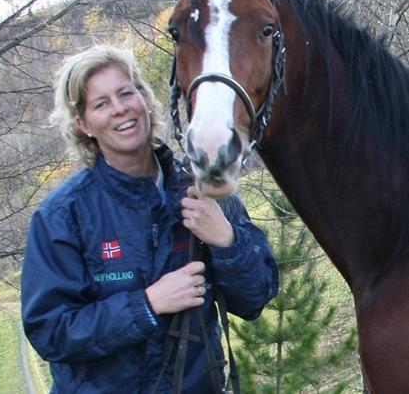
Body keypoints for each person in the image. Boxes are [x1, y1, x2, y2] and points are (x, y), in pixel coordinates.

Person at [21, 45, 278, 394]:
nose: (120, 109)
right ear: (83, 124)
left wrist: (226, 241)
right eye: (101, 103)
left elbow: (256, 298)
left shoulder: (203, 189)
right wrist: (147, 305)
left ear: (144, 98)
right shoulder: (62, 216)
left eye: (127, 93)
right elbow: (51, 332)